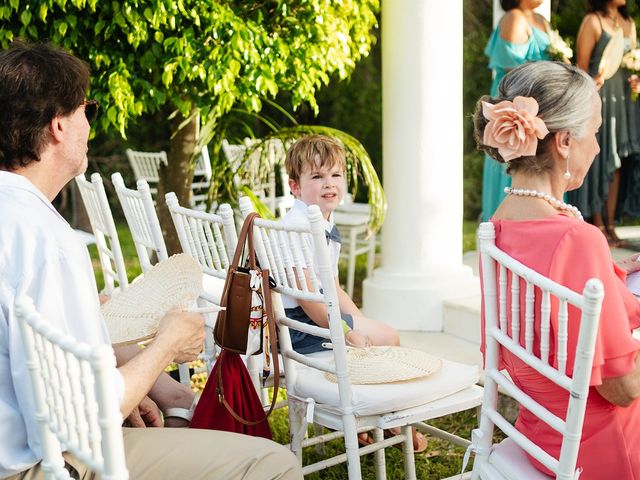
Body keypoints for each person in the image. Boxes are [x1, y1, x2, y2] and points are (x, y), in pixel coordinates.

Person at [0, 40, 302, 480]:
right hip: (42, 465)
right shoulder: (48, 241)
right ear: (59, 125)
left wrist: (131, 386)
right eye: (90, 110)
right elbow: (81, 420)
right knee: (273, 464)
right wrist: (167, 347)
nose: (91, 124)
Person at [474, 60, 640, 477]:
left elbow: (557, 297)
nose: (599, 147)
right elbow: (624, 389)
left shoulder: (498, 225)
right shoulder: (578, 241)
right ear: (564, 141)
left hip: (543, 429)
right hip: (603, 442)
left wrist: (613, 274)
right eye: (596, 133)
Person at [280, 134, 428, 452]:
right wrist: (348, 333)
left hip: (318, 316)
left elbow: (332, 286)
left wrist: (358, 320)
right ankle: (390, 422)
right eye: (317, 177)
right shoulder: (296, 228)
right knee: (388, 339)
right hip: (300, 328)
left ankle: (374, 417)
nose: (328, 183)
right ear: (295, 187)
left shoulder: (321, 223)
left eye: (335, 174)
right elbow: (308, 300)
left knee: (380, 334)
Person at [567, 0, 640, 247]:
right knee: (598, 159)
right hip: (600, 99)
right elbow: (580, 69)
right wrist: (591, 84)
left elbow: (633, 61)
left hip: (624, 101)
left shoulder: (629, 24)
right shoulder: (592, 22)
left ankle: (610, 223)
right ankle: (596, 222)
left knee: (617, 162)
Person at [481, 0, 550, 222]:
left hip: (540, 102)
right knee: (515, 158)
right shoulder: (514, 18)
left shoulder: (540, 20)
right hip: (517, 101)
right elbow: (515, 71)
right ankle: (510, 227)